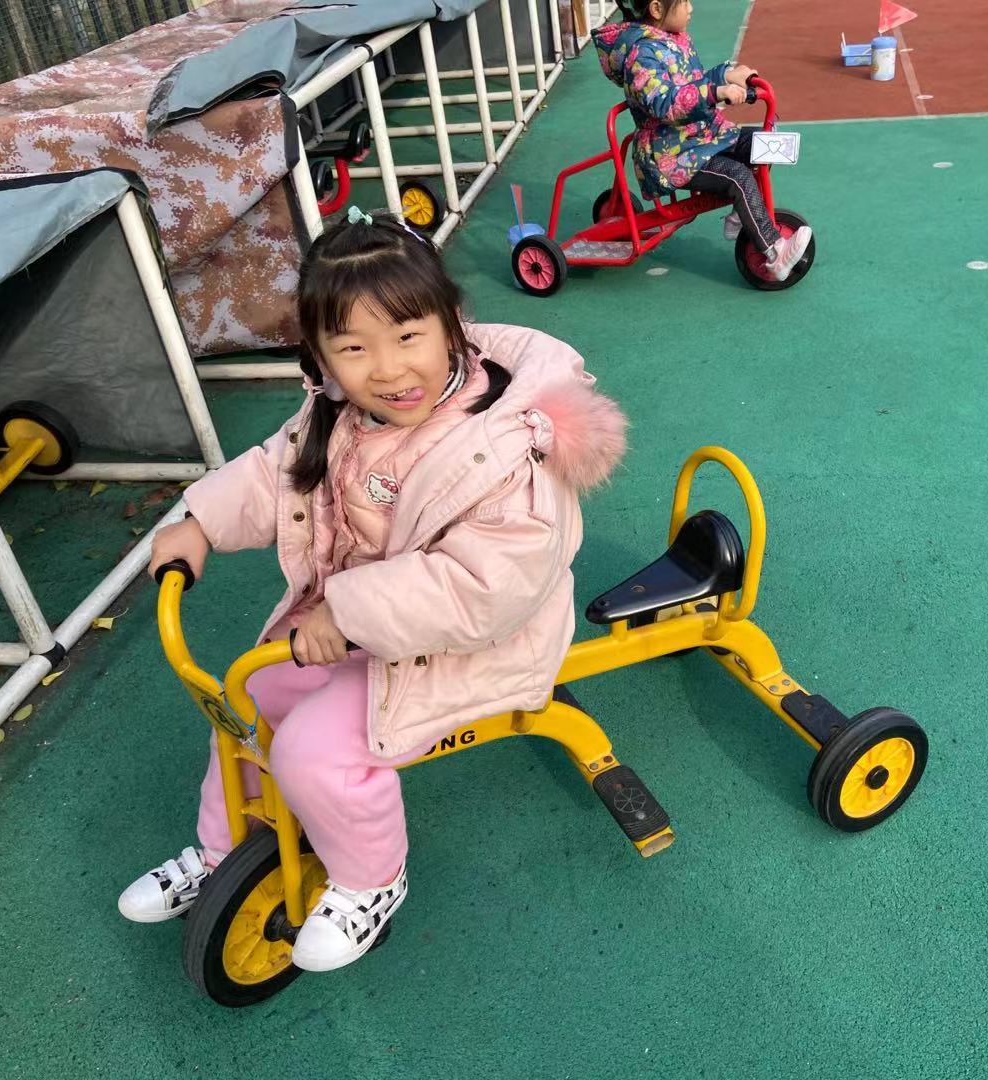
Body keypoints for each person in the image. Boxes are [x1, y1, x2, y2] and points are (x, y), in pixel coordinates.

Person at [117, 209, 627, 972]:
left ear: (452, 325)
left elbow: (484, 587)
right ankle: (222, 851)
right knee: (247, 701)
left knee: (315, 754)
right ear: (320, 356)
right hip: (359, 628)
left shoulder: (506, 446)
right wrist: (201, 522)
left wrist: (347, 611)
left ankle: (371, 880)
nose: (388, 371)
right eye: (354, 349)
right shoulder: (342, 412)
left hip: (466, 645)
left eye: (408, 337)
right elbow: (276, 472)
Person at [593, 0, 812, 282]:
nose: (691, 8)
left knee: (765, 143)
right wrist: (715, 92)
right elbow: (665, 103)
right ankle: (774, 252)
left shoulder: (674, 39)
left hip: (700, 137)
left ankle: (741, 214)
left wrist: (726, 75)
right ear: (656, 9)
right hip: (671, 156)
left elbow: (693, 82)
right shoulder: (642, 56)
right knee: (738, 176)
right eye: (684, 2)